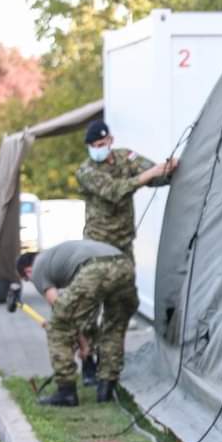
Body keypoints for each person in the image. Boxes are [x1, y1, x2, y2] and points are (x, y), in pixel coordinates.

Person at [75, 119, 177, 385]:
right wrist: (149, 175)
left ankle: (108, 374)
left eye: (101, 144)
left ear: (110, 140)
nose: (98, 149)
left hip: (122, 250)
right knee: (86, 312)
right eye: (93, 146)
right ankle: (87, 360)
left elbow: (155, 176)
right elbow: (115, 191)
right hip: (96, 250)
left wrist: (167, 170)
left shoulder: (125, 157)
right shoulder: (86, 171)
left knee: (119, 310)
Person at [16, 240, 138, 406]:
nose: (33, 282)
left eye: (27, 279)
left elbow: (62, 313)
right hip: (124, 264)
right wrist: (84, 343)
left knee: (57, 327)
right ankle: (106, 389)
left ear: (27, 271)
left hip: (96, 269)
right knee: (114, 327)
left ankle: (66, 392)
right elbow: (78, 313)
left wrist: (83, 345)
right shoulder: (57, 256)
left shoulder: (37, 268)